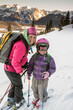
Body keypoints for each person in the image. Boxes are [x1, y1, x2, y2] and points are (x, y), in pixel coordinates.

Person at [4, 27, 37, 108]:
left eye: (34, 37)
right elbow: (15, 62)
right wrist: (20, 70)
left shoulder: (25, 43)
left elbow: (22, 57)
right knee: (18, 85)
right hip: (12, 69)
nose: (32, 39)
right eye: (31, 36)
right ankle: (19, 101)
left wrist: (25, 64)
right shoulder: (21, 45)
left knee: (14, 84)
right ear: (27, 35)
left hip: (9, 68)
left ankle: (11, 99)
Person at [27, 38, 56, 108]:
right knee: (34, 88)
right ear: (37, 48)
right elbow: (30, 65)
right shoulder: (34, 57)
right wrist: (29, 73)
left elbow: (53, 68)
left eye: (45, 49)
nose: (43, 51)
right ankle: (36, 97)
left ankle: (42, 99)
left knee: (42, 90)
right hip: (35, 77)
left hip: (43, 79)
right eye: (41, 49)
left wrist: (49, 73)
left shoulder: (49, 58)